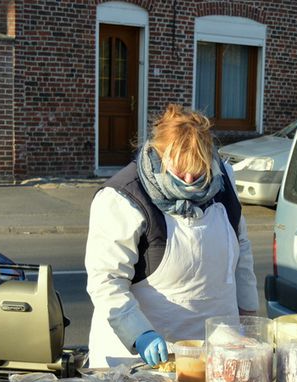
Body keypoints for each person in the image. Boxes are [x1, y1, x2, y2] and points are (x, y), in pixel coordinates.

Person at [86, 104, 258, 368]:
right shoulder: (122, 198)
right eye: (180, 170)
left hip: (215, 351)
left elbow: (241, 247)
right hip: (140, 358)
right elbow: (106, 281)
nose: (190, 179)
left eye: (199, 169)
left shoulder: (223, 180)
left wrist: (247, 314)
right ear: (160, 155)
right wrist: (138, 334)